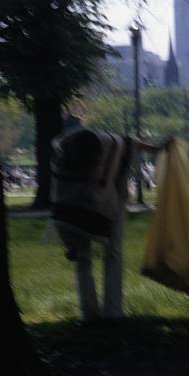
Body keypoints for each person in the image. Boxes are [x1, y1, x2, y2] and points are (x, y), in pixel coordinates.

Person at [49, 127, 169, 321]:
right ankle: (112, 311)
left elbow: (58, 202)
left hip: (89, 203)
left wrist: (67, 240)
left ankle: (90, 313)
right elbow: (132, 143)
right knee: (112, 254)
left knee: (83, 258)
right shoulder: (108, 145)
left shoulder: (67, 155)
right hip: (109, 201)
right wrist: (159, 147)